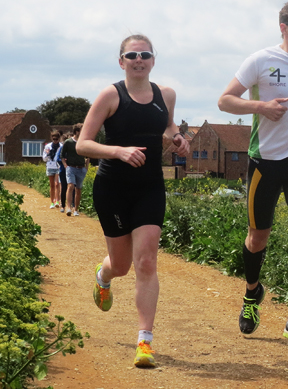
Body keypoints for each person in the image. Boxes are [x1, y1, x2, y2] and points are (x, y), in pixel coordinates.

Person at [217, 0, 288, 344]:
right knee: (258, 238)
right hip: (265, 161)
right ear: (284, 28)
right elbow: (225, 100)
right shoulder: (261, 60)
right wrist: (260, 107)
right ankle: (252, 294)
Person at [76, 34, 190, 368]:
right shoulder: (110, 96)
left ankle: (145, 341)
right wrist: (117, 151)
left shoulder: (165, 95)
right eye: (131, 55)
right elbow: (82, 144)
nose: (138, 59)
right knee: (122, 265)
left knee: (147, 262)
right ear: (121, 61)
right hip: (113, 188)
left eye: (145, 54)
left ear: (153, 60)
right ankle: (104, 275)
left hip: (150, 186)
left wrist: (179, 139)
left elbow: (167, 126)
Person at [60, 123, 89, 217]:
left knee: (78, 189)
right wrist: (65, 166)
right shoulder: (68, 142)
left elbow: (88, 155)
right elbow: (62, 155)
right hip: (71, 167)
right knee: (70, 186)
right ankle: (68, 207)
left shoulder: (84, 142)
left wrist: (86, 167)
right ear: (77, 132)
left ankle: (76, 209)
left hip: (81, 168)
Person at [42, 131, 62, 209]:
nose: (55, 141)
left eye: (56, 139)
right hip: (50, 166)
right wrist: (48, 154)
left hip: (58, 167)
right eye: (54, 139)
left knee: (57, 184)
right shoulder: (48, 146)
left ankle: (57, 200)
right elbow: (44, 158)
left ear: (59, 139)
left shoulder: (61, 146)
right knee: (52, 185)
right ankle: (52, 202)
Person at [54, 131, 71, 213]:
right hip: (63, 170)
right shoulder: (61, 148)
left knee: (71, 188)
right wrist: (65, 161)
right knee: (64, 187)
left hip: (71, 170)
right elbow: (58, 159)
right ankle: (63, 206)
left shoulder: (72, 149)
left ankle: (71, 206)